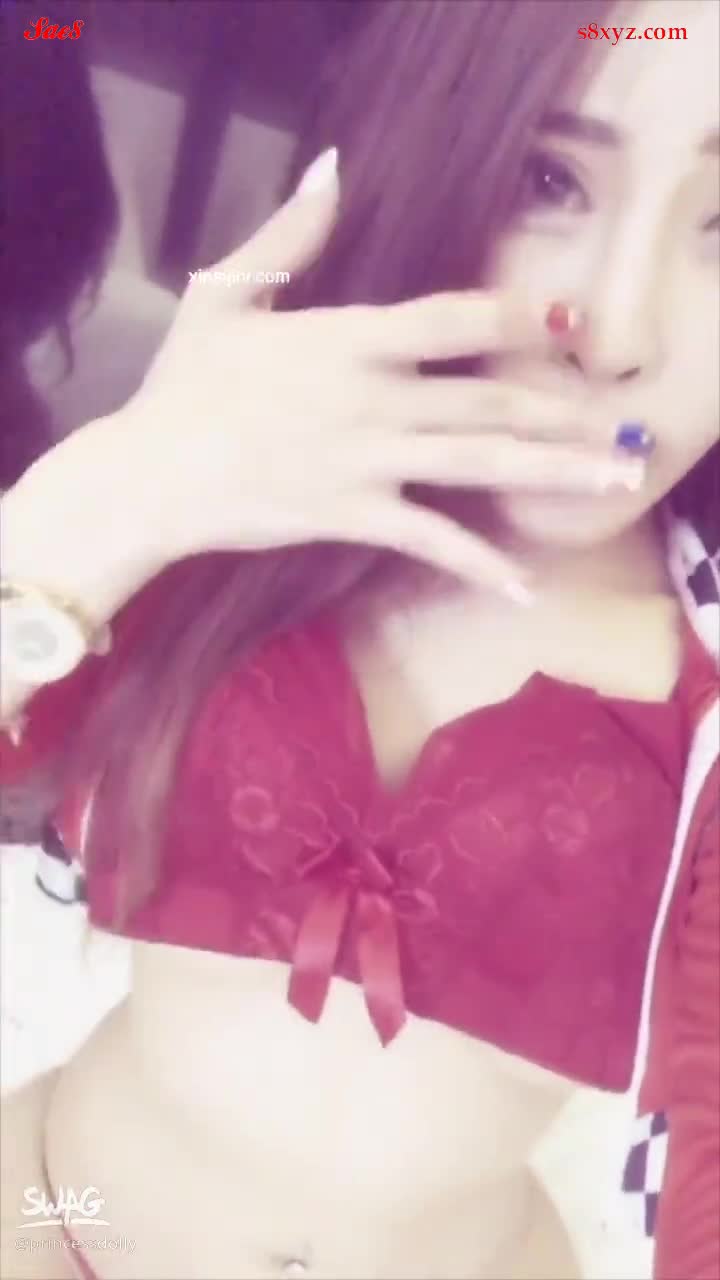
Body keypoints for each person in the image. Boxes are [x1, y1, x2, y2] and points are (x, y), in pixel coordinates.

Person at [1, 1, 718, 1277]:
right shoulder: (224, 499)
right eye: (549, 181)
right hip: (57, 1219)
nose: (617, 336)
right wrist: (116, 497)